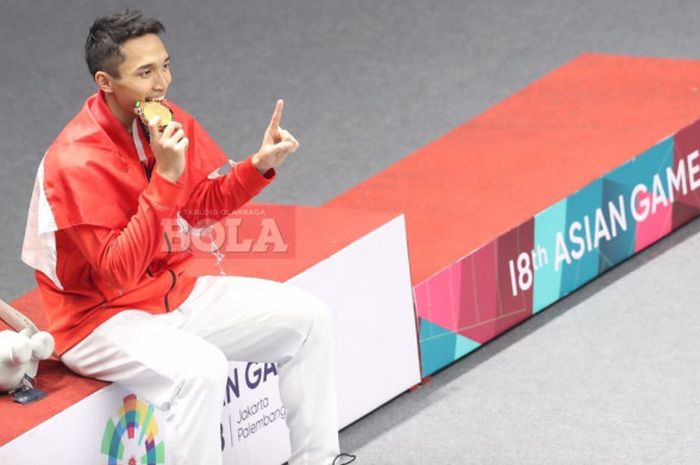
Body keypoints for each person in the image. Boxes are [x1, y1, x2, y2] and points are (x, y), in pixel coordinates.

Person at [21, 10, 356, 465]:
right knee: (201, 370)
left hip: (172, 294)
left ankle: (317, 459)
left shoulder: (166, 121)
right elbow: (118, 271)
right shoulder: (74, 162)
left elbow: (198, 208)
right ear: (105, 81)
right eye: (144, 73)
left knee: (309, 318)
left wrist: (256, 166)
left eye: (164, 65)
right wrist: (166, 179)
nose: (162, 83)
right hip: (98, 321)